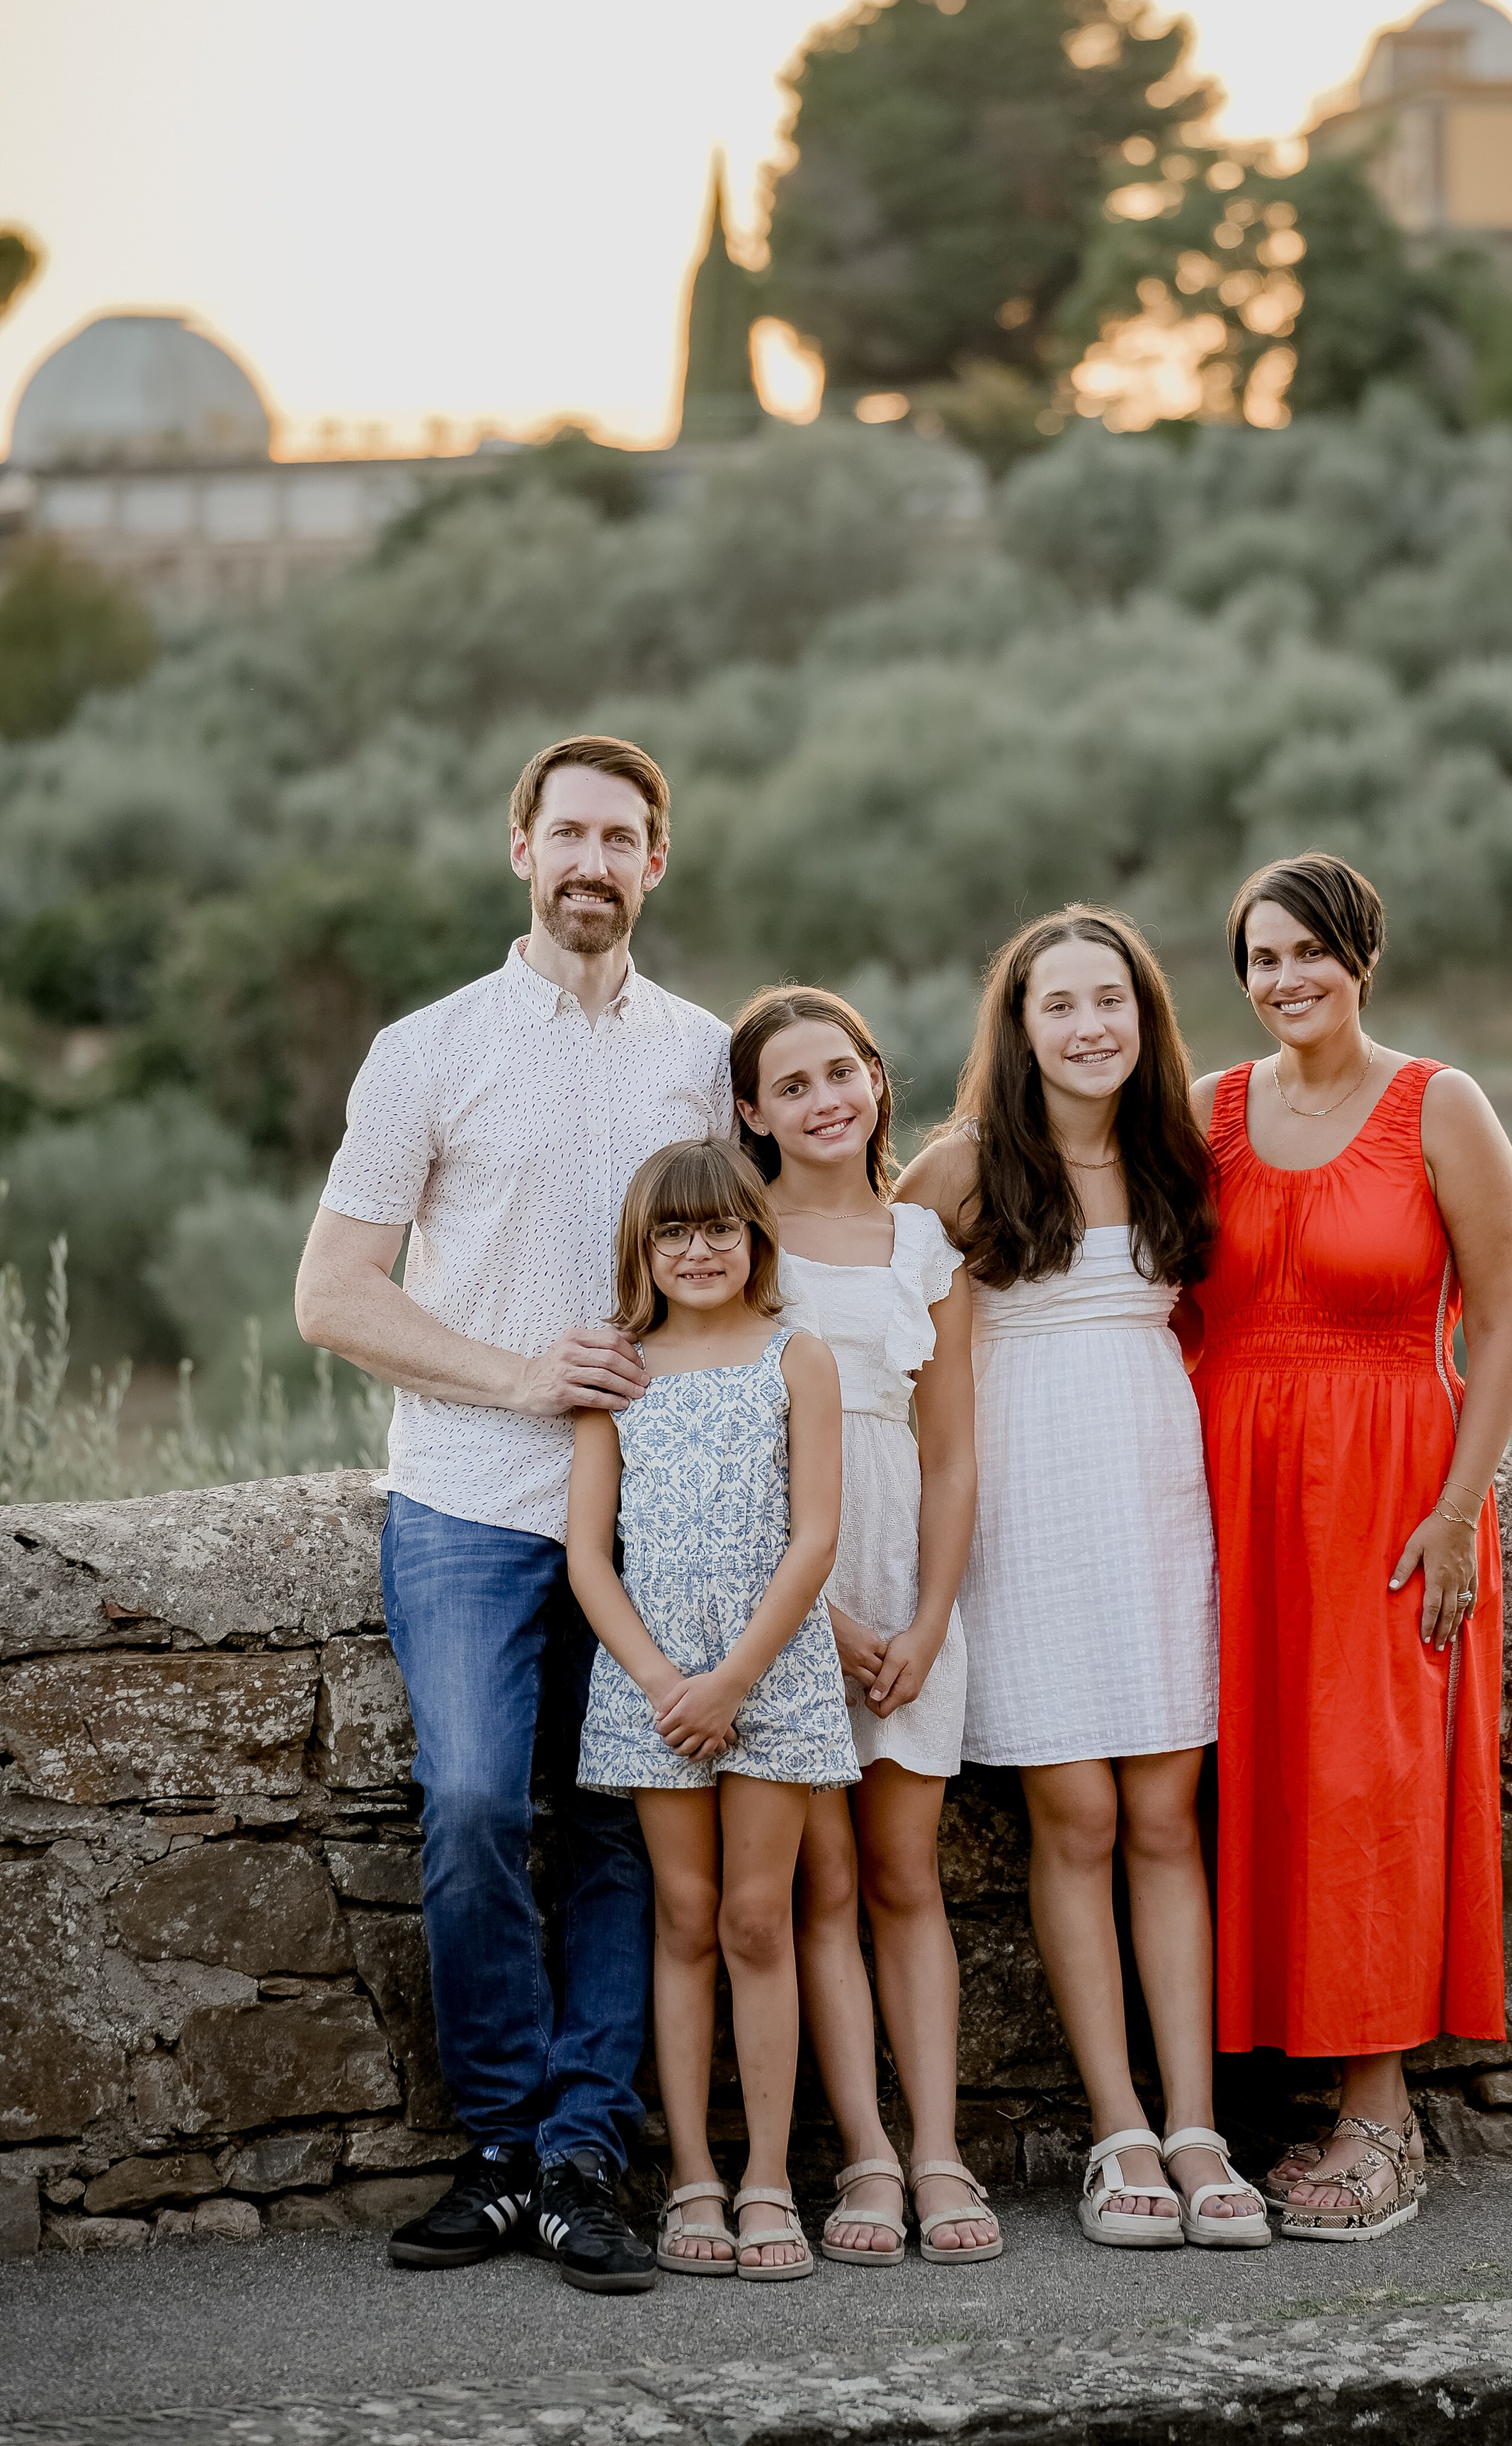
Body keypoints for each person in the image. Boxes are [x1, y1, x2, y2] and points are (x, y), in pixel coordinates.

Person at [295, 734, 732, 2294]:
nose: (591, 863)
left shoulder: (706, 1057)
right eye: (568, 835)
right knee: (477, 1801)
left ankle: (581, 2153)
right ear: (520, 849)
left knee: (621, 1826)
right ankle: (498, 2145)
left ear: (655, 864)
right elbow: (331, 1296)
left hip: (655, 1515)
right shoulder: (429, 1049)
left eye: (621, 839)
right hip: (470, 1502)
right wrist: (521, 1377)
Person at [899, 908, 1268, 2254]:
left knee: (1168, 1819)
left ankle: (1197, 2129)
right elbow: (869, 1329)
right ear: (1019, 1027)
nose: (1088, 1026)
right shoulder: (957, 1171)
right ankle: (1119, 2134)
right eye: (1057, 1004)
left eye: (1109, 999)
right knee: (1080, 1818)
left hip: (1158, 1498)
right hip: (1024, 1511)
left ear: (1144, 1015)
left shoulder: (1179, 1153)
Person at [1186, 851, 1512, 2243]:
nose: (1285, 980)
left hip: (1390, 1492)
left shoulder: (1439, 1104)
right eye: (1261, 959)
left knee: (1363, 1780)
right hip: (1226, 1487)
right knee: (1242, 1779)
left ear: (1360, 958)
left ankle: (1381, 2117)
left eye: (1307, 952)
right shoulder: (1205, 1110)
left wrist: (1456, 1511)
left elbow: (1501, 1320)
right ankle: (1266, 2101)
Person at [731, 986, 1001, 2268]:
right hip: (790, 1592)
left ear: (878, 1081)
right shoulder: (741, 1244)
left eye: (841, 1073)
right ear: (753, 1114)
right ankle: (867, 2157)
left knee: (906, 1876)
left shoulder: (924, 1246)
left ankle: (939, 2150)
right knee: (822, 1886)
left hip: (906, 1580)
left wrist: (929, 1618)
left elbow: (950, 1456)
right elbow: (737, 1446)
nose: (824, 1100)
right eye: (792, 1086)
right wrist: (819, 1619)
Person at [567, 1137, 856, 2283]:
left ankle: (769, 2176)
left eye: (720, 1228)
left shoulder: (798, 1358)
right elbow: (589, 1556)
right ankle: (692, 2174)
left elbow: (815, 1537)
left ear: (754, 1237)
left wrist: (733, 1679)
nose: (698, 1250)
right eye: (674, 1232)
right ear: (642, 1249)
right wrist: (662, 1683)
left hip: (769, 1678)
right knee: (683, 1919)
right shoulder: (623, 1374)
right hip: (652, 1691)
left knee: (756, 1920)